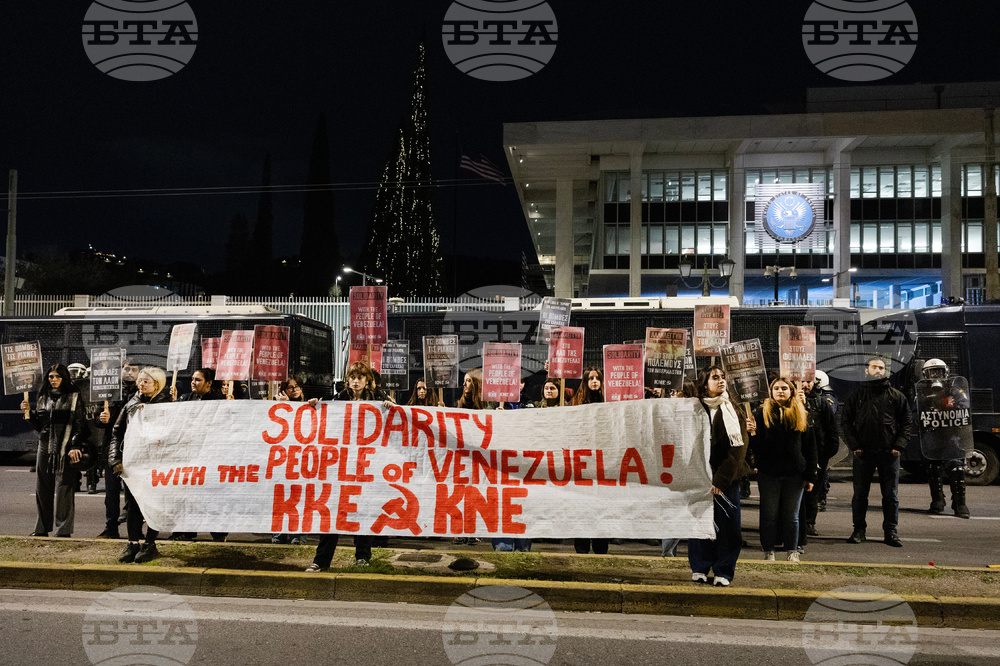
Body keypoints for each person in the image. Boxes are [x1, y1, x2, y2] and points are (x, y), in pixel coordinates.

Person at [306, 362, 380, 571]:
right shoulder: (338, 400)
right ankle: (321, 560)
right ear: (348, 380)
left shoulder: (377, 400)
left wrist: (389, 407)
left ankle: (363, 557)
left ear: (367, 381)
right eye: (353, 377)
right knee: (333, 510)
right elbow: (325, 418)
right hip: (341, 465)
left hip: (365, 464)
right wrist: (315, 406)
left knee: (362, 508)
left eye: (360, 377)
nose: (356, 381)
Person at [687, 365, 752, 585]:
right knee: (699, 523)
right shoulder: (694, 408)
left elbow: (738, 449)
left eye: (723, 377)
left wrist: (721, 480)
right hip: (700, 476)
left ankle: (724, 571)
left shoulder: (733, 409)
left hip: (727, 478)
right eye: (715, 377)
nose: (721, 380)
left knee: (727, 526)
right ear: (705, 383)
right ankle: (700, 567)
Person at [843, 357, 913, 548]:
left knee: (890, 496)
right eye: (873, 367)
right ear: (866, 371)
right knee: (859, 495)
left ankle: (890, 532)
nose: (877, 370)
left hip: (889, 454)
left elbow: (907, 422)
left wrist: (898, 446)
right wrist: (854, 445)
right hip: (863, 454)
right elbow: (846, 422)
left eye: (880, 367)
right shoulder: (856, 395)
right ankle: (859, 530)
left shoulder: (896, 396)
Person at [750, 377, 816, 563]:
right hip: (769, 473)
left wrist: (811, 475)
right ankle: (768, 550)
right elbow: (756, 447)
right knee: (769, 515)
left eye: (784, 388)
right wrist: (752, 433)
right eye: (776, 388)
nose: (780, 391)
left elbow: (810, 447)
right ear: (770, 392)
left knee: (792, 516)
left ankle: (792, 550)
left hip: (794, 474)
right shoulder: (760, 413)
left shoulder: (801, 413)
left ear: (791, 391)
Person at [110, 366, 171, 564]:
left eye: (146, 381)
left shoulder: (168, 405)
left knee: (153, 504)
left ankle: (150, 544)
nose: (141, 383)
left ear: (157, 385)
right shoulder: (131, 404)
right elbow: (117, 433)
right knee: (133, 504)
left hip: (156, 464)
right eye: (141, 380)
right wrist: (115, 459)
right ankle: (133, 543)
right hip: (134, 463)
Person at [23, 364, 89, 538]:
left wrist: (74, 445)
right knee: (42, 488)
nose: (54, 380)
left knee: (64, 489)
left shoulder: (74, 396)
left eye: (58, 377)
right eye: (51, 377)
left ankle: (63, 530)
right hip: (44, 447)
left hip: (65, 448)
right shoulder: (42, 397)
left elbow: (80, 424)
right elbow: (40, 426)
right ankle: (42, 528)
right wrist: (28, 414)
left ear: (64, 378)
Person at [168, 368, 226, 542]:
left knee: (211, 496)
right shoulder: (185, 399)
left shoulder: (220, 401)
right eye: (192, 379)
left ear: (209, 383)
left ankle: (218, 533)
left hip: (211, 456)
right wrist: (173, 404)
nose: (193, 382)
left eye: (198, 380)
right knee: (187, 496)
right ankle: (185, 531)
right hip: (189, 456)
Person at [918, 359, 971, 519]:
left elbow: (965, 407)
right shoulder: (921, 393)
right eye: (931, 372)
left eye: (938, 372)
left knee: (957, 469)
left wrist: (953, 406)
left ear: (945, 372)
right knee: (933, 469)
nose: (935, 376)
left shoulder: (954, 390)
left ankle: (960, 504)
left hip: (952, 436)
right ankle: (938, 501)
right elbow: (915, 413)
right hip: (933, 436)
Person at [96, 359, 140, 539]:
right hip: (113, 448)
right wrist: (101, 419)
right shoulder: (109, 393)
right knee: (111, 493)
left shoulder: (141, 392)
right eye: (126, 369)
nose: (129, 372)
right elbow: (96, 421)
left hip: (135, 448)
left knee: (135, 494)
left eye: (134, 369)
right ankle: (111, 528)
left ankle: (136, 530)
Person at [569, 367, 610, 555]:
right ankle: (582, 546)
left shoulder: (610, 403)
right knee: (582, 506)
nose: (594, 381)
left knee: (602, 506)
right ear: (585, 382)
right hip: (582, 463)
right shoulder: (575, 404)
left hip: (604, 462)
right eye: (590, 378)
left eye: (598, 378)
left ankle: (601, 547)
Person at [796, 372, 840, 545]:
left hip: (817, 456)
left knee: (812, 492)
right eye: (802, 381)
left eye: (808, 382)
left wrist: (826, 455)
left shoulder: (822, 403)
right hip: (796, 456)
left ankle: (809, 523)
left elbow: (832, 430)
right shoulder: (790, 402)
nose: (806, 385)